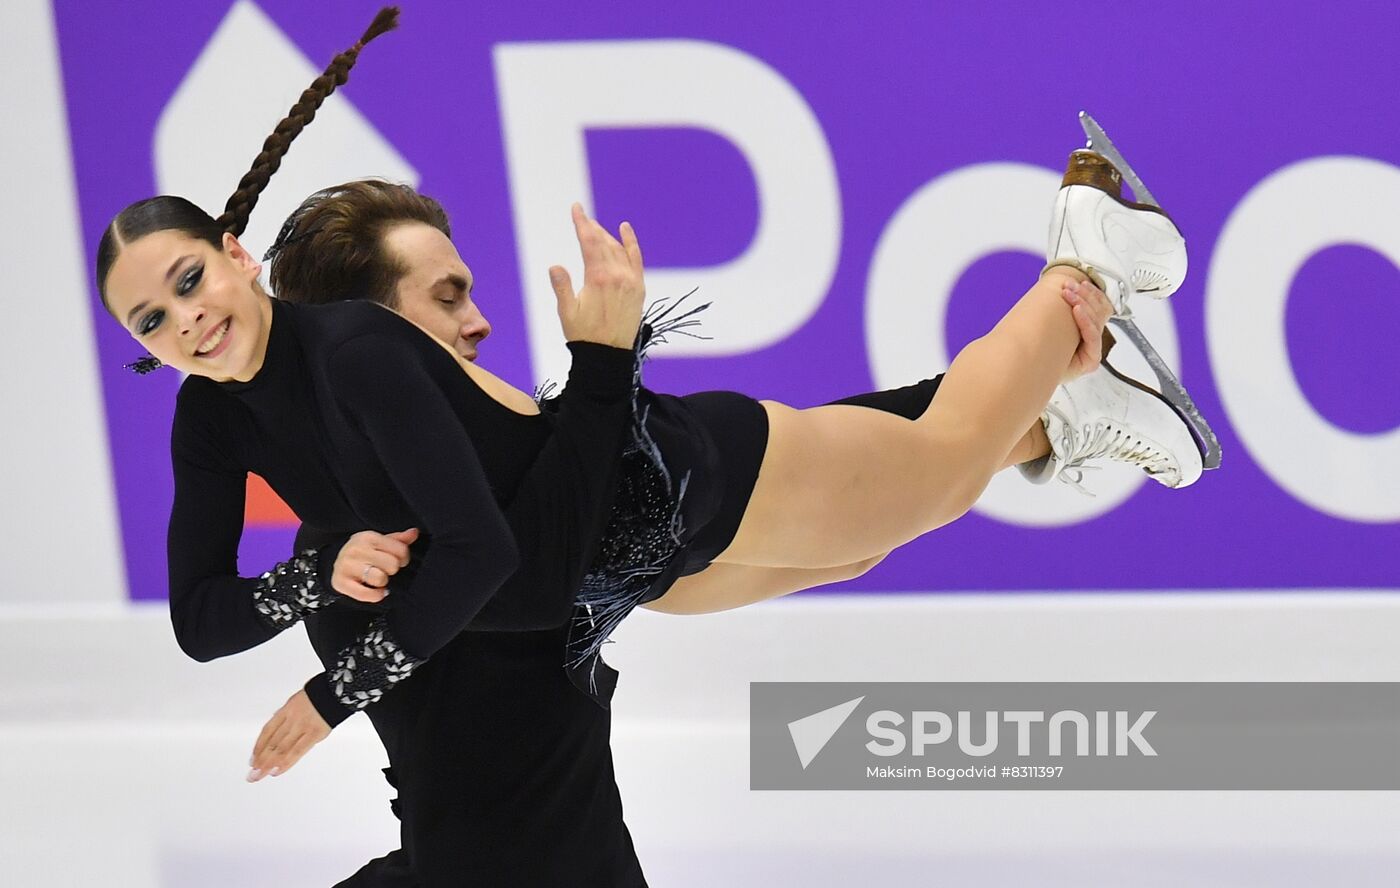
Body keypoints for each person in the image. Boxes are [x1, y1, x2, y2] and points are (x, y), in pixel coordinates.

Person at [96, 8, 1207, 884]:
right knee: (879, 528)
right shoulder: (267, 402)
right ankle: (1066, 407)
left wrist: (334, 689)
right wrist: (317, 571)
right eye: (150, 318)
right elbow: (236, 607)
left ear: (233, 258)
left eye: (188, 280)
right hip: (621, 566)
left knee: (938, 463)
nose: (183, 320)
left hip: (662, 490)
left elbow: (497, 565)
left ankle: (1083, 253)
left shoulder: (366, 362)